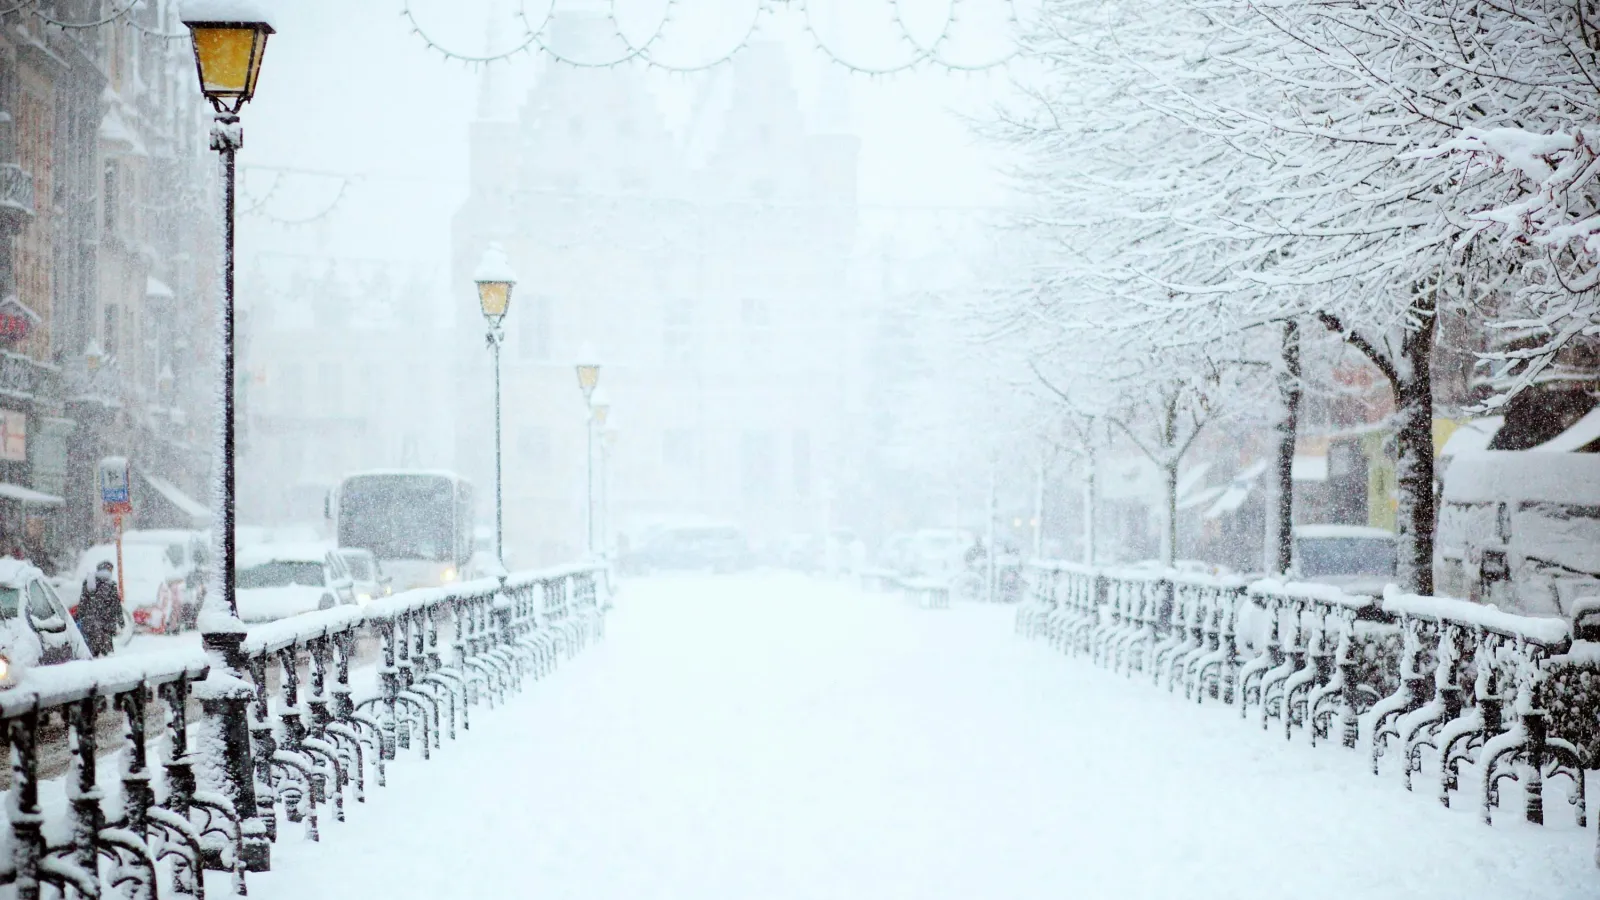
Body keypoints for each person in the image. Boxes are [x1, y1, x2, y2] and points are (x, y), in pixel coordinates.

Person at [76, 561, 123, 657]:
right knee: (107, 654)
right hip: (106, 625)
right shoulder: (111, 584)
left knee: (92, 652)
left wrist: (79, 617)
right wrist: (120, 621)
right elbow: (116, 605)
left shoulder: (88, 582)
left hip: (90, 624)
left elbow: (82, 603)